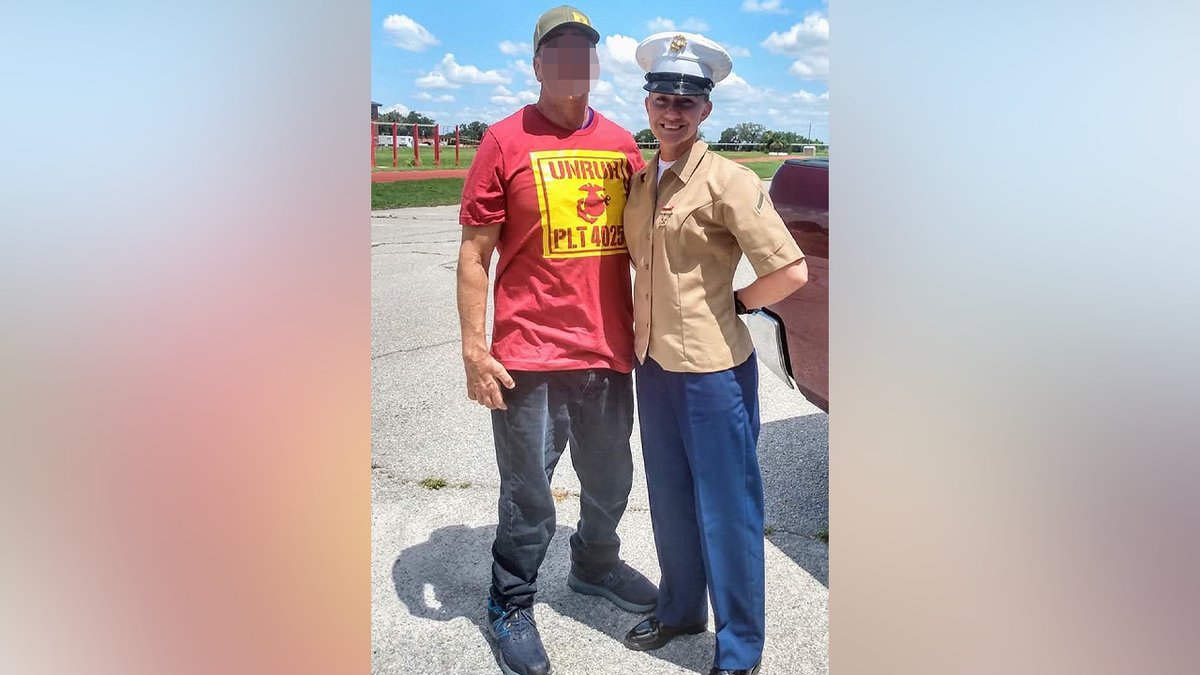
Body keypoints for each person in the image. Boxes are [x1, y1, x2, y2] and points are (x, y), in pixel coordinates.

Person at [455, 6, 656, 675]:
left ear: (594, 66)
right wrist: (473, 348)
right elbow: (474, 255)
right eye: (558, 53)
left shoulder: (623, 146)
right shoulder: (506, 141)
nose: (572, 65)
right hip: (527, 356)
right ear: (539, 65)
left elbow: (647, 250)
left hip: (604, 350)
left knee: (611, 477)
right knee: (528, 493)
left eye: (584, 54)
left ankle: (594, 564)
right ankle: (509, 599)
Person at [618, 32, 810, 675]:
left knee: (727, 509)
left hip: (713, 372)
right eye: (661, 98)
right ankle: (678, 609)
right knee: (670, 497)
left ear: (705, 110)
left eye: (686, 101)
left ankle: (739, 648)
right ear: (647, 105)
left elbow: (789, 270)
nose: (671, 112)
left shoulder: (728, 180)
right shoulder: (644, 181)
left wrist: (741, 304)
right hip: (655, 365)